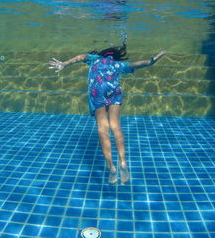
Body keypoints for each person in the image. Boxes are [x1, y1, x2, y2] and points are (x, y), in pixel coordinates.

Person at [49, 43, 166, 185]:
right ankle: (123, 161)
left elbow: (81, 57)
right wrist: (151, 61)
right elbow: (137, 64)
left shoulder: (95, 59)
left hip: (97, 91)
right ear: (115, 56)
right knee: (115, 126)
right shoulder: (118, 65)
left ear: (102, 53)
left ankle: (111, 167)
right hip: (113, 91)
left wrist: (64, 64)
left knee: (102, 128)